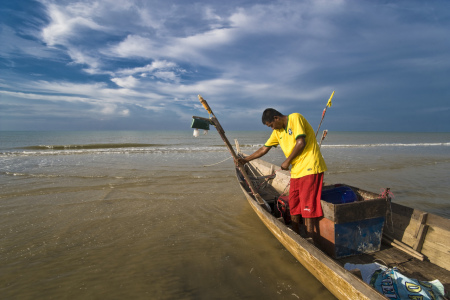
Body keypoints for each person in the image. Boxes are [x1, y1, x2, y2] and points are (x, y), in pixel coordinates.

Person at [237, 108, 327, 238]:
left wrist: (287, 161)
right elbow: (264, 149)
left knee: (308, 208)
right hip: (296, 171)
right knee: (294, 205)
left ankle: (310, 239)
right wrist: (244, 160)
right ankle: (296, 235)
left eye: (271, 125)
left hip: (310, 168)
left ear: (276, 118)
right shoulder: (277, 132)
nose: (272, 128)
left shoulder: (295, 118)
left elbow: (301, 142)